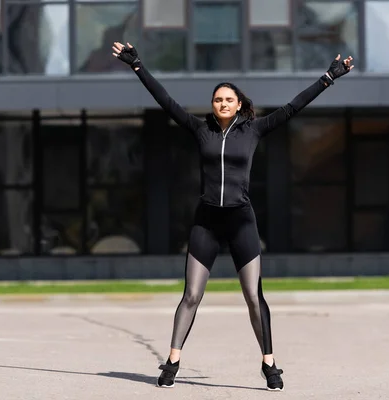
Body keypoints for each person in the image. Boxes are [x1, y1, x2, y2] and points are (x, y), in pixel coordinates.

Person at [112, 41, 353, 391]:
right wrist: (137, 66)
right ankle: (173, 361)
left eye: (228, 99)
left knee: (253, 296)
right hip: (206, 222)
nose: (222, 103)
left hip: (241, 220)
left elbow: (293, 106)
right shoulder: (201, 130)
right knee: (191, 295)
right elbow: (165, 100)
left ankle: (269, 363)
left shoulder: (253, 130)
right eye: (217, 100)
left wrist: (329, 77)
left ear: (239, 104)